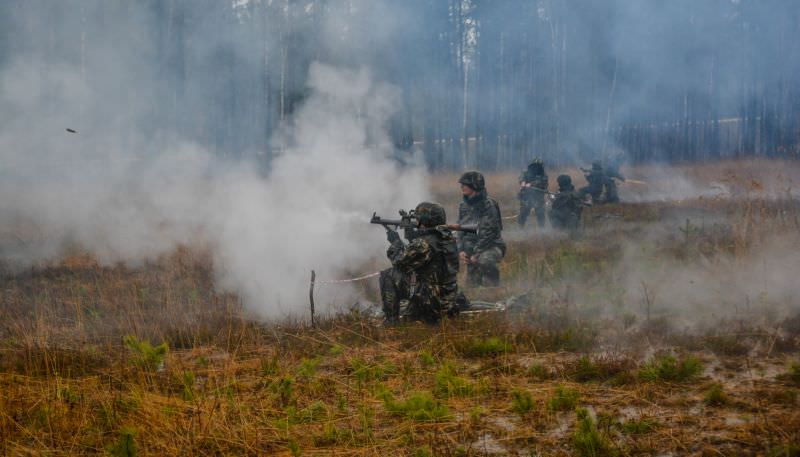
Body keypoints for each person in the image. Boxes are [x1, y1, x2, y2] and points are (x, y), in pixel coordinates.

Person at [379, 202, 461, 324]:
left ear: (425, 220)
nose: (416, 222)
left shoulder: (424, 244)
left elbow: (399, 261)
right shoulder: (447, 238)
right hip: (447, 301)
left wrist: (394, 239)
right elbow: (423, 252)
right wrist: (410, 232)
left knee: (388, 275)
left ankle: (391, 322)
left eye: (418, 219)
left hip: (431, 303)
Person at [456, 171, 506, 287]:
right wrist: (461, 250)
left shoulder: (489, 205)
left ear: (475, 186)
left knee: (485, 260)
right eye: (462, 184)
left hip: (491, 246)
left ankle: (494, 286)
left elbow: (487, 233)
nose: (462, 187)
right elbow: (461, 229)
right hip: (471, 247)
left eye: (465, 184)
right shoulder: (463, 206)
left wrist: (476, 254)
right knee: (472, 286)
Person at [517, 158, 549, 229]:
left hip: (538, 196)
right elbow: (521, 177)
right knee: (523, 213)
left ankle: (542, 229)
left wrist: (531, 184)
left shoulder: (543, 174)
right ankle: (520, 228)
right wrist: (523, 181)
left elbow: (544, 183)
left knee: (540, 213)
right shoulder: (526, 172)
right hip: (526, 196)